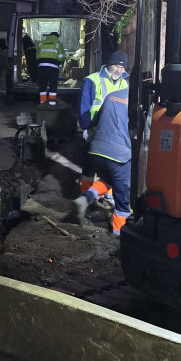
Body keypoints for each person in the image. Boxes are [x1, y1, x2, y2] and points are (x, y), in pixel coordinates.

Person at [71, 50, 131, 235]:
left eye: (122, 67)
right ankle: (88, 203)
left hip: (110, 135)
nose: (119, 70)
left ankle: (100, 198)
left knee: (107, 172)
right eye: (117, 65)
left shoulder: (124, 83)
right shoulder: (93, 80)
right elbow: (85, 108)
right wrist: (86, 128)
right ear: (109, 64)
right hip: (93, 132)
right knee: (90, 171)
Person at [36, 31, 66, 106]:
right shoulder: (58, 44)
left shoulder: (41, 43)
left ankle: (43, 104)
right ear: (57, 36)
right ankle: (52, 104)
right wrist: (59, 62)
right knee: (53, 86)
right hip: (53, 68)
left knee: (42, 86)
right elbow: (61, 57)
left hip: (42, 68)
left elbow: (37, 57)